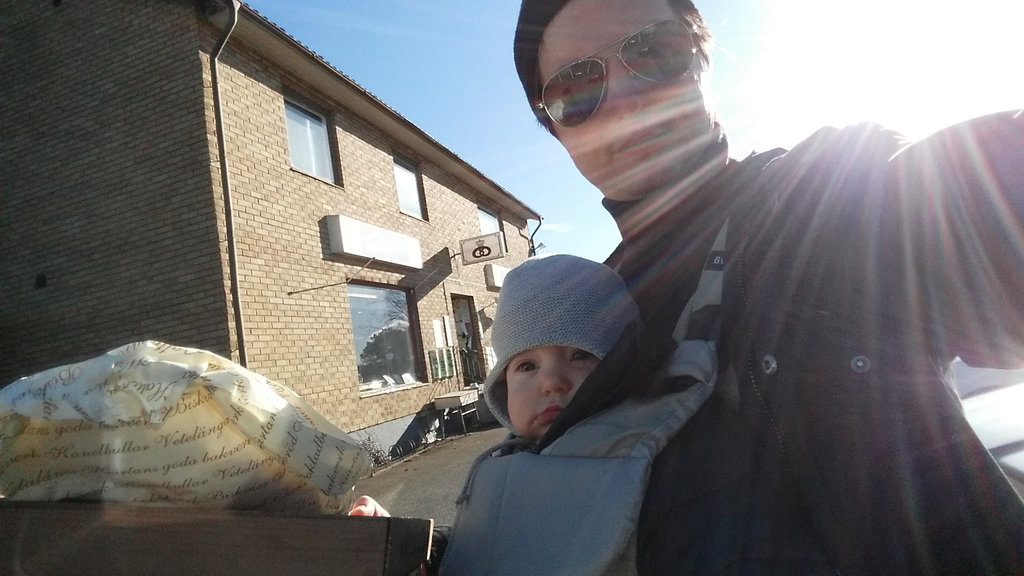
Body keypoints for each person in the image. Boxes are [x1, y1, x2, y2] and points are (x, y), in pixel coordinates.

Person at [509, 0, 1024, 574]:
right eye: (577, 88)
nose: (628, 100)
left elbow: (977, 204)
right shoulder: (588, 312)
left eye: (654, 52)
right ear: (556, 129)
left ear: (701, 63)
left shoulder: (829, 192)